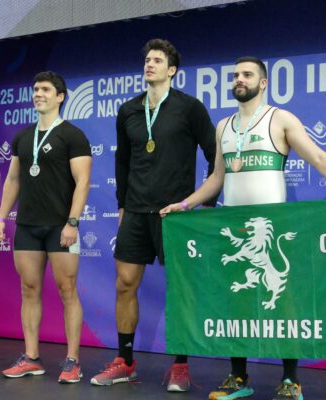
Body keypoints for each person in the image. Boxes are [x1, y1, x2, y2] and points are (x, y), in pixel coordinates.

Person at [160, 57, 326, 400]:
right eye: (235, 75)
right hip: (236, 225)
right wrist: (184, 205)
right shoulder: (223, 126)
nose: (239, 80)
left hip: (273, 225)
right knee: (237, 301)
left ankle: (290, 380)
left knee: (284, 303)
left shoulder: (280, 119)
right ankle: (238, 378)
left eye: (247, 75)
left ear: (263, 83)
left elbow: (318, 158)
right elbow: (217, 178)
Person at [90, 39, 217, 391]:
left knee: (180, 290)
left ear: (172, 70)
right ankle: (125, 361)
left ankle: (180, 365)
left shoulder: (189, 108)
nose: (149, 64)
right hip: (135, 210)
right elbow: (122, 161)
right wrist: (121, 204)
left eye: (157, 60)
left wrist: (205, 203)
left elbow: (215, 154)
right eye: (147, 59)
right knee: (124, 284)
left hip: (175, 213)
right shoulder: (129, 110)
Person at [0, 71, 92, 384]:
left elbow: (83, 182)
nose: (39, 94)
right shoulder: (23, 137)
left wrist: (72, 222)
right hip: (27, 226)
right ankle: (32, 357)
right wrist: (0, 217)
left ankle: (73, 361)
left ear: (60, 96)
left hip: (61, 226)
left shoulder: (73, 135)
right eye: (36, 89)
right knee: (29, 289)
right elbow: (13, 180)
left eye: (46, 90)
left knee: (67, 290)